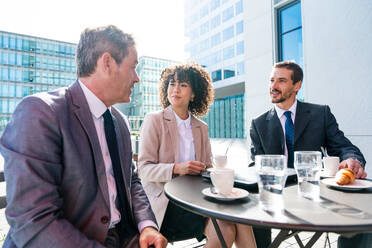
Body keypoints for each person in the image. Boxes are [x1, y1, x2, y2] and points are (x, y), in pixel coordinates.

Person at [0, 25, 167, 248]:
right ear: (107, 63)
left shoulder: (119, 121)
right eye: (133, 67)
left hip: (124, 237)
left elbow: (132, 181)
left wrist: (147, 226)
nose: (137, 78)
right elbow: (34, 222)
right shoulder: (40, 113)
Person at [249, 60, 367, 248]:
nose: (273, 86)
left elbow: (343, 146)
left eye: (281, 81)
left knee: (364, 217)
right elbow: (255, 164)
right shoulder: (258, 124)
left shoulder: (321, 114)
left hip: (318, 194)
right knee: (251, 215)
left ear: (297, 85)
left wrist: (351, 159)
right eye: (271, 80)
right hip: (276, 196)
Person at [138, 63, 257, 248]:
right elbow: (144, 170)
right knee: (229, 224)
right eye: (172, 83)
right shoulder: (154, 120)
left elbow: (208, 168)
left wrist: (220, 177)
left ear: (194, 94)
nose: (175, 89)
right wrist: (177, 168)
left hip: (198, 198)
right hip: (168, 203)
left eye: (183, 85)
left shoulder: (201, 127)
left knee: (236, 218)